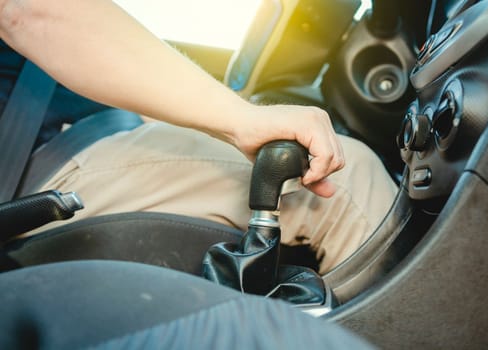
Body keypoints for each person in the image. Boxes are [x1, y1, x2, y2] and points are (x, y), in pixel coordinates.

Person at [0, 0, 397, 273]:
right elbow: (31, 13)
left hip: (70, 132)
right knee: (343, 182)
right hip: (30, 173)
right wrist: (239, 119)